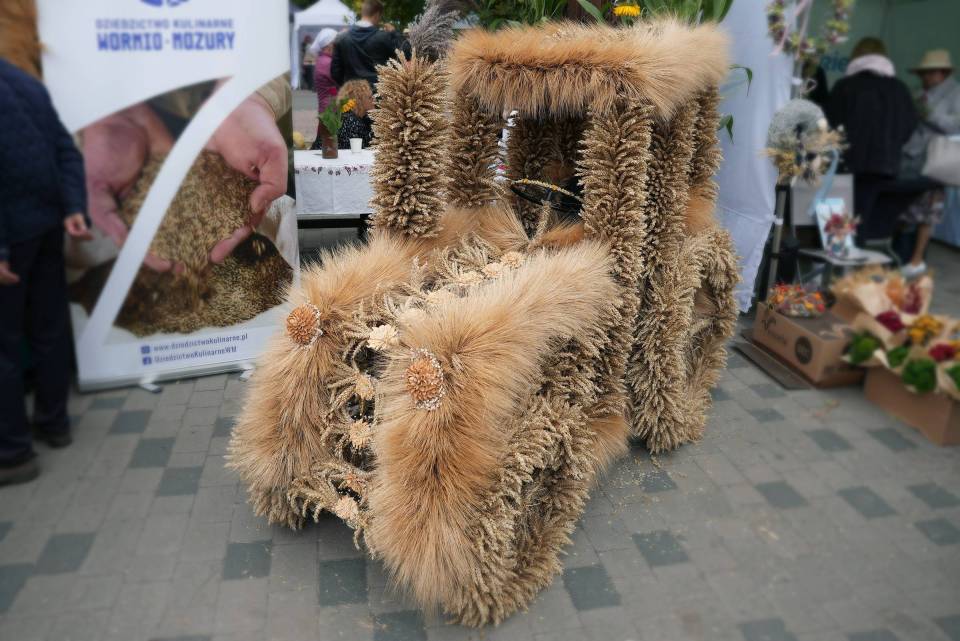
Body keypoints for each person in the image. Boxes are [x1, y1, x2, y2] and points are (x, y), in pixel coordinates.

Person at [82, 78, 290, 271]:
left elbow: (291, 54)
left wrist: (254, 94)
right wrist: (109, 109)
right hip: (150, 112)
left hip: (244, 124)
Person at [0, 58, 92, 486]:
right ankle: (54, 424)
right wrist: (73, 207)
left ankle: (13, 453)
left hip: (12, 238)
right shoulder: (24, 82)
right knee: (49, 328)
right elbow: (64, 150)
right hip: (46, 226)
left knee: (4, 345)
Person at [826, 37, 917, 243]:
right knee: (864, 222)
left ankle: (838, 258)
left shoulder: (845, 86)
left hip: (846, 164)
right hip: (885, 168)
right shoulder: (899, 89)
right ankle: (854, 256)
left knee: (838, 222)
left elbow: (828, 125)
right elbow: (910, 126)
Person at [900, 49, 960, 277]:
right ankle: (904, 257)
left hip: (936, 160)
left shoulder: (956, 93)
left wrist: (929, 113)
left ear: (942, 72)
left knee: (928, 211)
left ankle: (916, 260)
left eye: (930, 72)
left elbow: (955, 126)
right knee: (906, 208)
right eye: (923, 73)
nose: (925, 77)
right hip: (910, 156)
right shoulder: (918, 92)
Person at [331, 0, 406, 88]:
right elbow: (406, 53)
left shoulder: (342, 38)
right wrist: (394, 32)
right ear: (377, 14)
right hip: (379, 93)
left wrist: (349, 86)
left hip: (352, 93)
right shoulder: (384, 37)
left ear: (363, 12)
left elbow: (335, 72)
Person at [337, 79, 375, 149]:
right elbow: (354, 152)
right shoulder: (350, 121)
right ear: (358, 101)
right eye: (370, 97)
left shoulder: (363, 119)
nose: (374, 99)